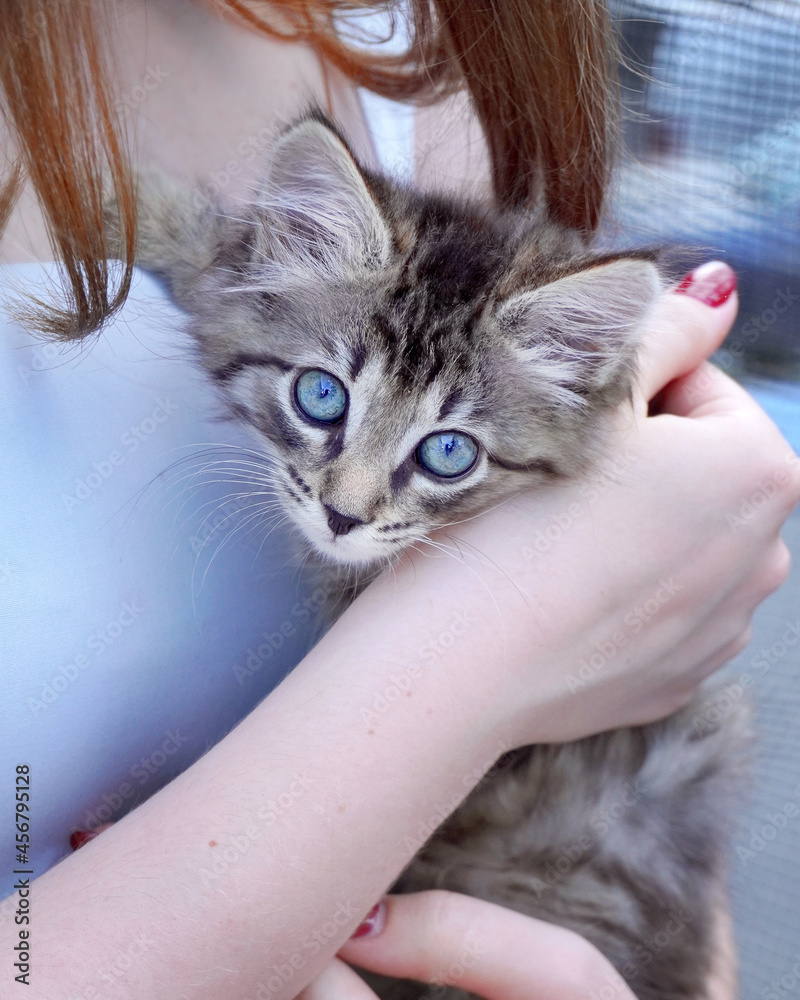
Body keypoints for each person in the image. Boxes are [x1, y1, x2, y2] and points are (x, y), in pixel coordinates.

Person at [1, 2, 797, 998]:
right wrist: (487, 646)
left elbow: (675, 901)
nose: (346, 498)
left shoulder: (422, 38)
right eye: (322, 402)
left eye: (442, 452)